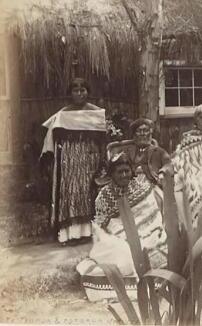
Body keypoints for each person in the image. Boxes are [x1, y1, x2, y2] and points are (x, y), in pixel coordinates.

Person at [76, 152, 167, 302]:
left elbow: (153, 216)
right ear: (111, 174)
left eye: (127, 171)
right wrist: (126, 237)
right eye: (120, 172)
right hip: (118, 238)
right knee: (124, 254)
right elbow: (102, 227)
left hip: (148, 232)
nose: (124, 175)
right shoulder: (103, 197)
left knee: (159, 246)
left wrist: (147, 233)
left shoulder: (143, 188)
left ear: (132, 171)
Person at [41, 77, 106, 245]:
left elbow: (103, 138)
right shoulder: (63, 114)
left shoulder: (96, 113)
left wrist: (102, 157)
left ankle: (89, 233)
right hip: (69, 160)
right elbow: (52, 136)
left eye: (82, 90)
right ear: (70, 94)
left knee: (88, 191)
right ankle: (71, 234)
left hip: (90, 157)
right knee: (70, 191)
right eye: (75, 90)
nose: (79, 93)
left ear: (88, 92)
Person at [106, 118, 170, 187]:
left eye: (146, 131)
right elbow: (118, 167)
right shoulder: (127, 152)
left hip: (152, 185)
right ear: (134, 135)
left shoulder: (159, 152)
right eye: (139, 131)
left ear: (151, 133)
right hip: (130, 187)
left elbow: (169, 165)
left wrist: (162, 173)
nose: (142, 134)